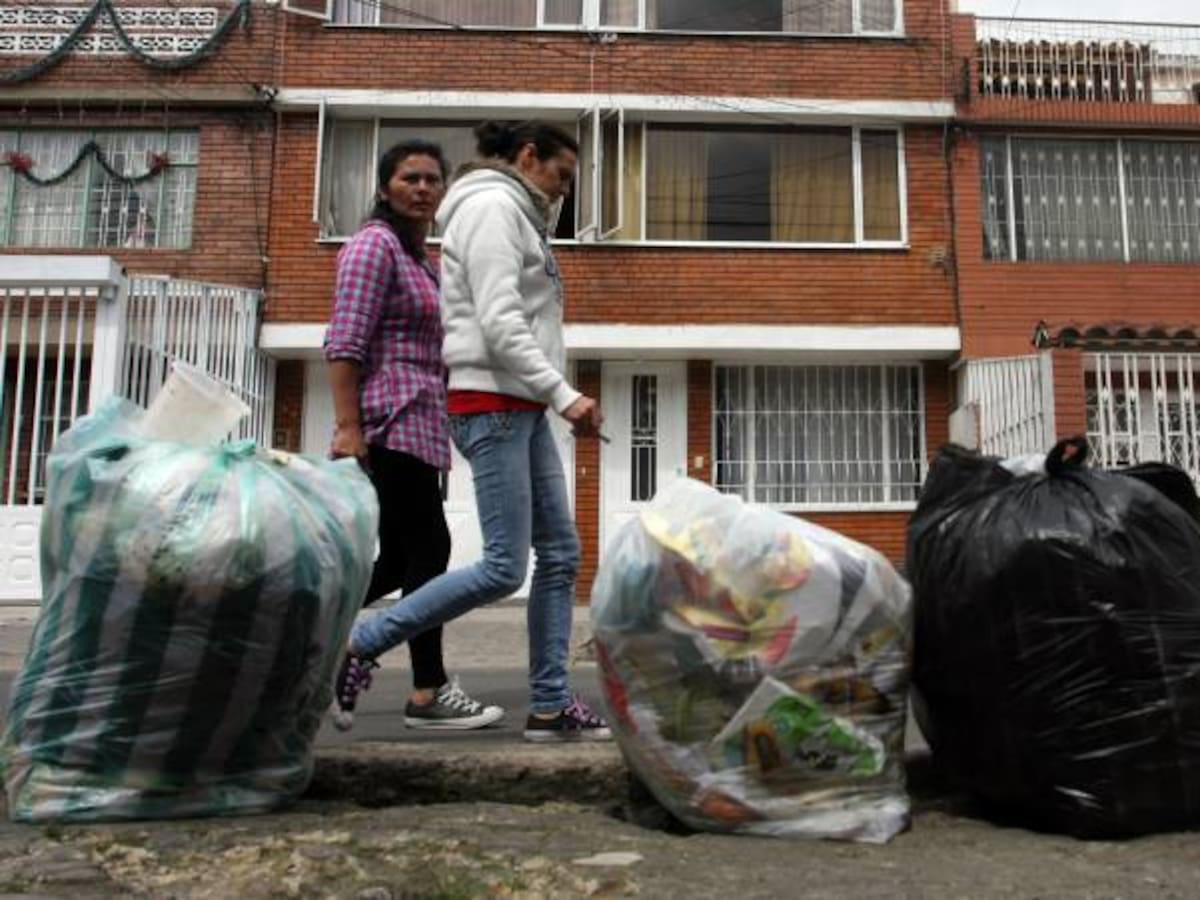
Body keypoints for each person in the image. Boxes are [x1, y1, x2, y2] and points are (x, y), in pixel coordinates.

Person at [333, 121, 612, 743]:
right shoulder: (491, 208)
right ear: (528, 156)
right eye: (561, 176)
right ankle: (362, 643)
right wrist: (565, 395)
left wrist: (547, 398)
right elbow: (498, 320)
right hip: (491, 403)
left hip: (518, 402)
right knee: (505, 567)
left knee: (561, 554)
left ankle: (550, 705)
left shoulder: (517, 214)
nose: (565, 193)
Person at [324, 139, 503, 732]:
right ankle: (427, 690)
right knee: (430, 549)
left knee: (400, 559)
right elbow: (345, 340)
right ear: (384, 188)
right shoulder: (373, 246)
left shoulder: (421, 258)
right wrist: (350, 428)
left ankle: (309, 637)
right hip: (387, 421)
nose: (423, 188)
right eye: (410, 178)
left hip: (420, 426)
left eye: (432, 179)